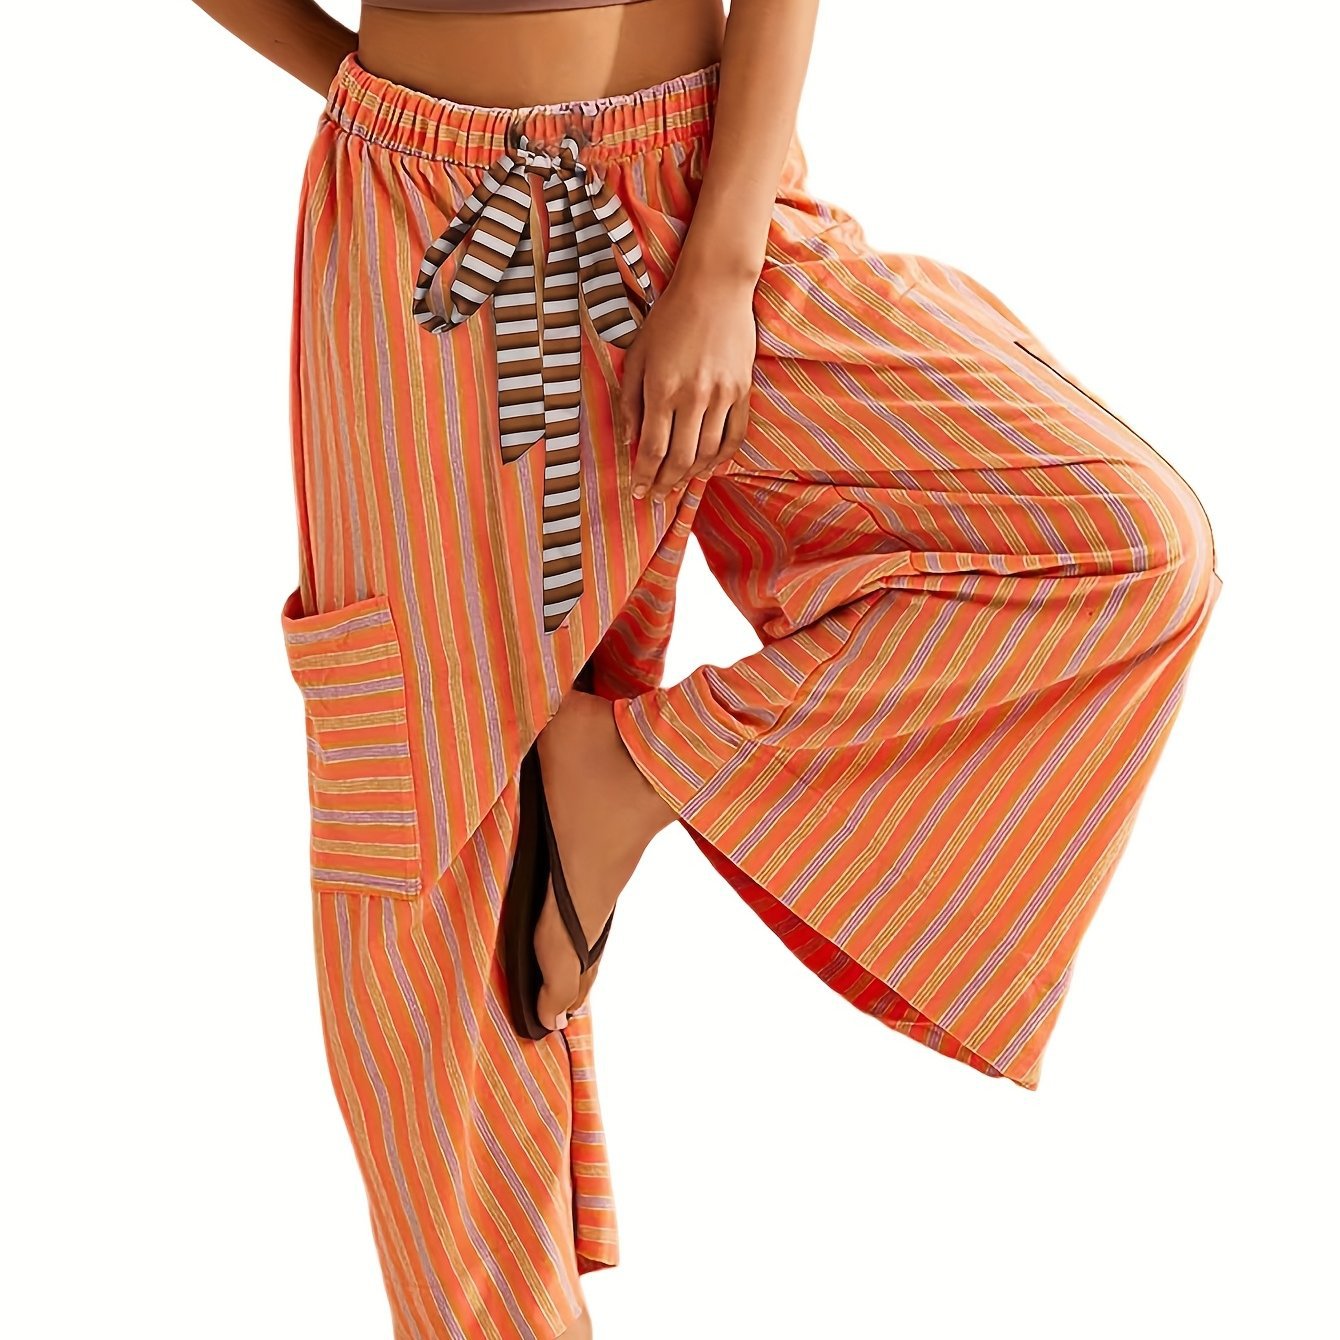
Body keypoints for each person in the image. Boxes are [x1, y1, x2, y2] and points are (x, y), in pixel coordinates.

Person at [192, 2, 1224, 1335]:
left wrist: (727, 264)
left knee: (1121, 543)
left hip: (700, 188)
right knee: (430, 873)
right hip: (429, 224)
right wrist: (363, 87)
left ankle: (620, 774)